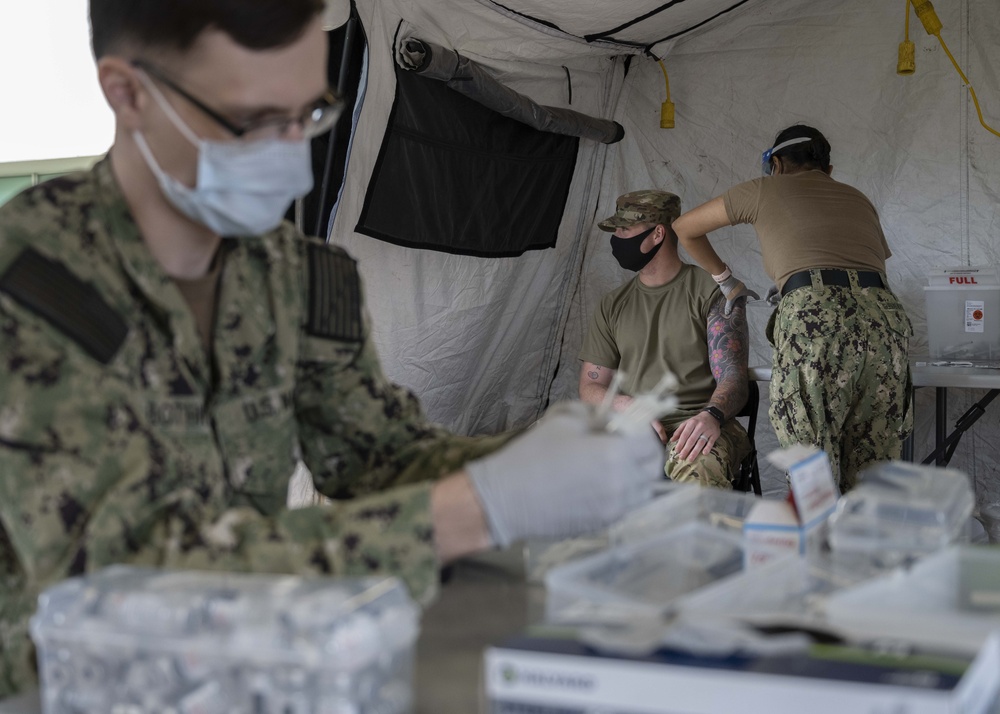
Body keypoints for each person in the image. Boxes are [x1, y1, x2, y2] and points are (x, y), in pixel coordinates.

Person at [0, 0, 664, 697]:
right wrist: (472, 509)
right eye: (254, 121)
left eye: (308, 116)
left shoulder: (297, 275)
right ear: (128, 93)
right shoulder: (35, 281)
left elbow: (378, 453)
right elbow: (115, 582)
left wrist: (541, 457)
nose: (292, 163)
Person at [670, 124, 913, 492]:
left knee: (810, 457)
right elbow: (861, 267)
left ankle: (816, 543)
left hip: (814, 316)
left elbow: (684, 228)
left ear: (777, 164)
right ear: (827, 170)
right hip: (884, 319)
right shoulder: (858, 198)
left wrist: (726, 279)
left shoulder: (763, 188)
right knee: (873, 463)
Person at [579, 190, 752, 489]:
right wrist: (624, 405)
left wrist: (710, 415)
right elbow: (591, 386)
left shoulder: (711, 292)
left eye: (624, 229)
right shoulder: (614, 304)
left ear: (658, 233)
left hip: (701, 423)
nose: (617, 238)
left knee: (696, 480)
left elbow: (733, 377)